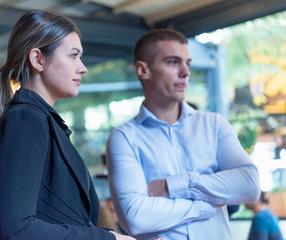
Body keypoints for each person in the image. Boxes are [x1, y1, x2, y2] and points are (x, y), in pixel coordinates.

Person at [0, 9, 136, 240]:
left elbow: (62, 220)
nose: (82, 68)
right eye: (73, 55)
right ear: (37, 59)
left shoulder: (40, 120)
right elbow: (15, 230)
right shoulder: (26, 119)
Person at [106, 29, 261, 240]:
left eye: (187, 63)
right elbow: (135, 217)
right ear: (143, 70)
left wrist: (173, 186)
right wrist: (205, 206)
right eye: (173, 62)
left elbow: (249, 186)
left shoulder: (214, 125)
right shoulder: (123, 138)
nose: (186, 72)